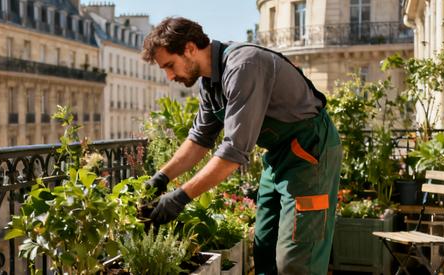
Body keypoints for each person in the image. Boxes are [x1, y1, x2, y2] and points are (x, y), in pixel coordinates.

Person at [139, 17, 343, 275]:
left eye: (170, 65)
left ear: (190, 48)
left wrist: (180, 197)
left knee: (297, 259)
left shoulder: (243, 66)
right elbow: (200, 139)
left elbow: (232, 153)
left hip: (310, 154)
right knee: (264, 247)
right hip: (279, 155)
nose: (169, 76)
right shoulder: (210, 83)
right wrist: (161, 178)